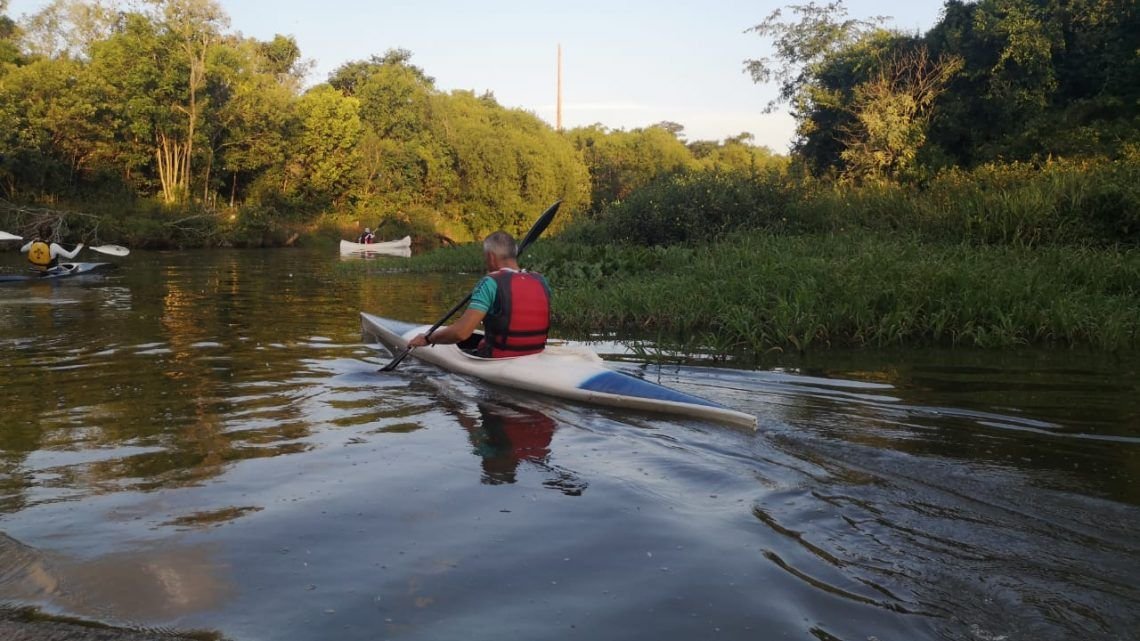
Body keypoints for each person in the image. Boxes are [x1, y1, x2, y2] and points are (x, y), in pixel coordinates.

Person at [409, 230, 550, 358]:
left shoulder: (490, 282)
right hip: (535, 353)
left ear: (491, 257)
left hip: (498, 357)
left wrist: (428, 339)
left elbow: (461, 333)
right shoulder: (540, 280)